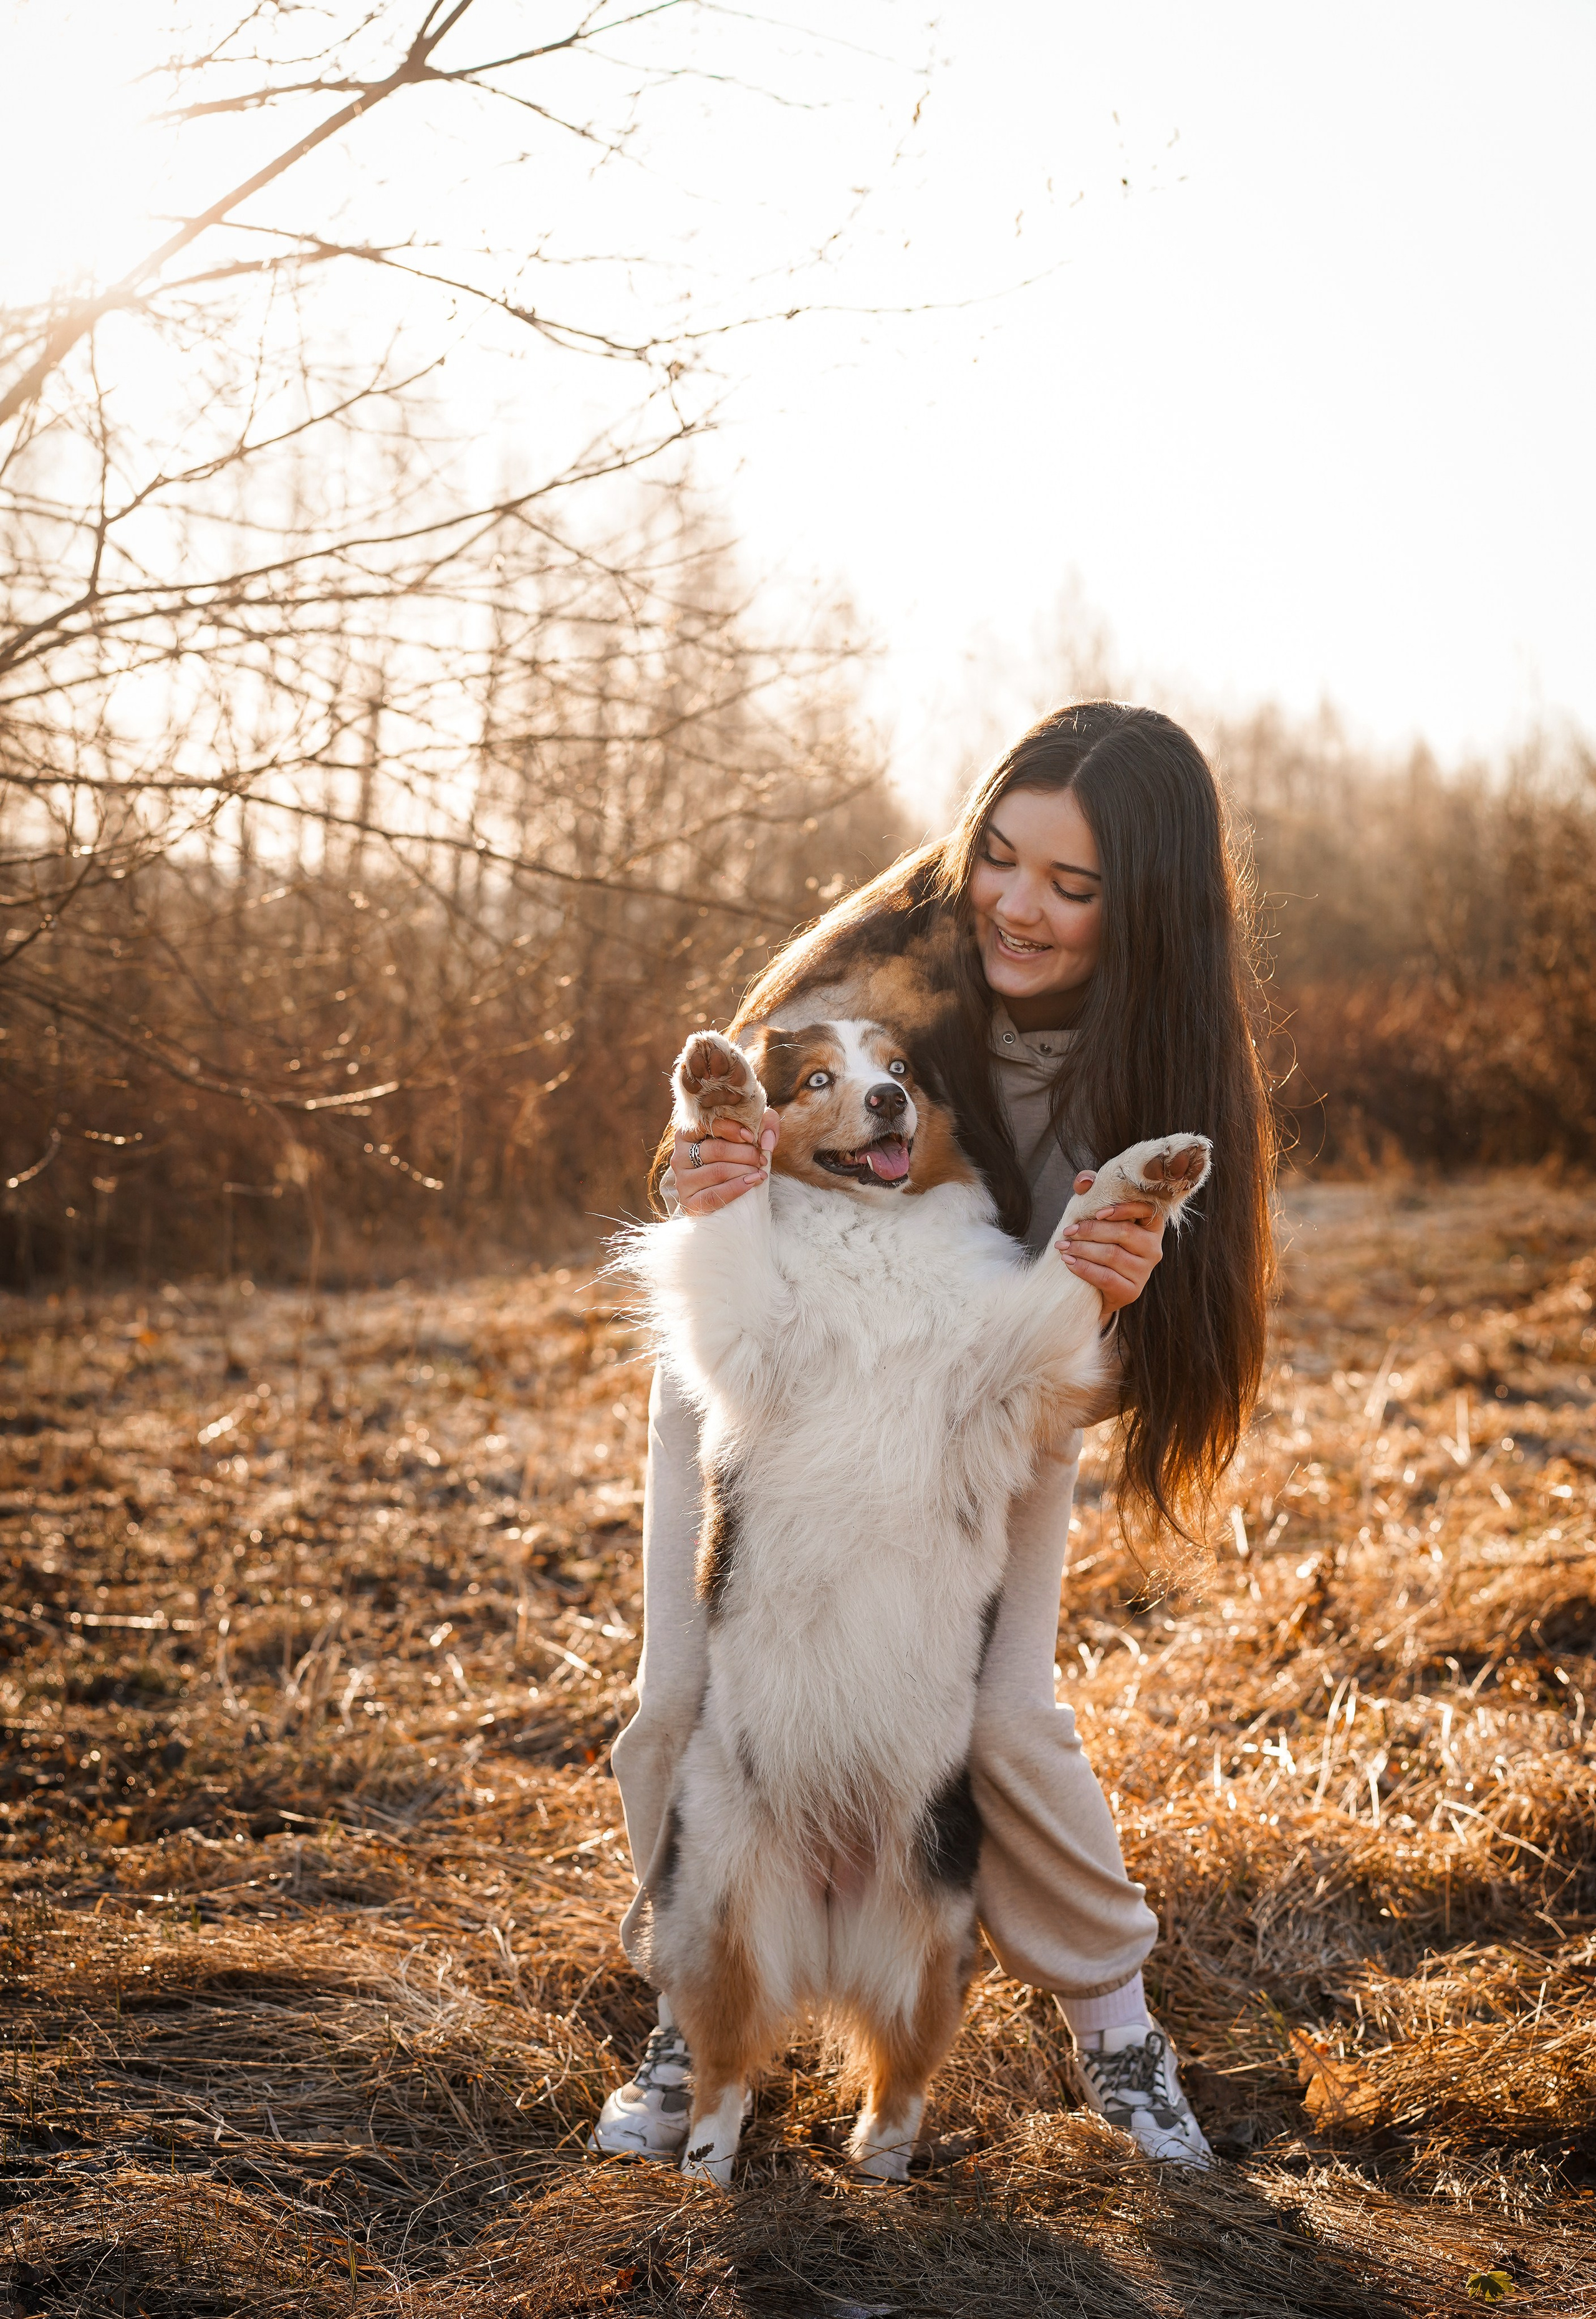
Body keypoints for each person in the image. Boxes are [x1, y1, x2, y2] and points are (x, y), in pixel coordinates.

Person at [592, 701, 1274, 2169]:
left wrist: (1108, 1280)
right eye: (1000, 858)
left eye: (1071, 887)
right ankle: (691, 2012)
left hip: (982, 1386)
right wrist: (706, 1155)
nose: (1015, 906)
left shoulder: (1154, 1049)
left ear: (1142, 905)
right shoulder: (881, 960)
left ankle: (1119, 2033)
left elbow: (1119, 1341)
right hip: (770, 1365)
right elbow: (724, 1130)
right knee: (680, 1703)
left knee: (1003, 1717)